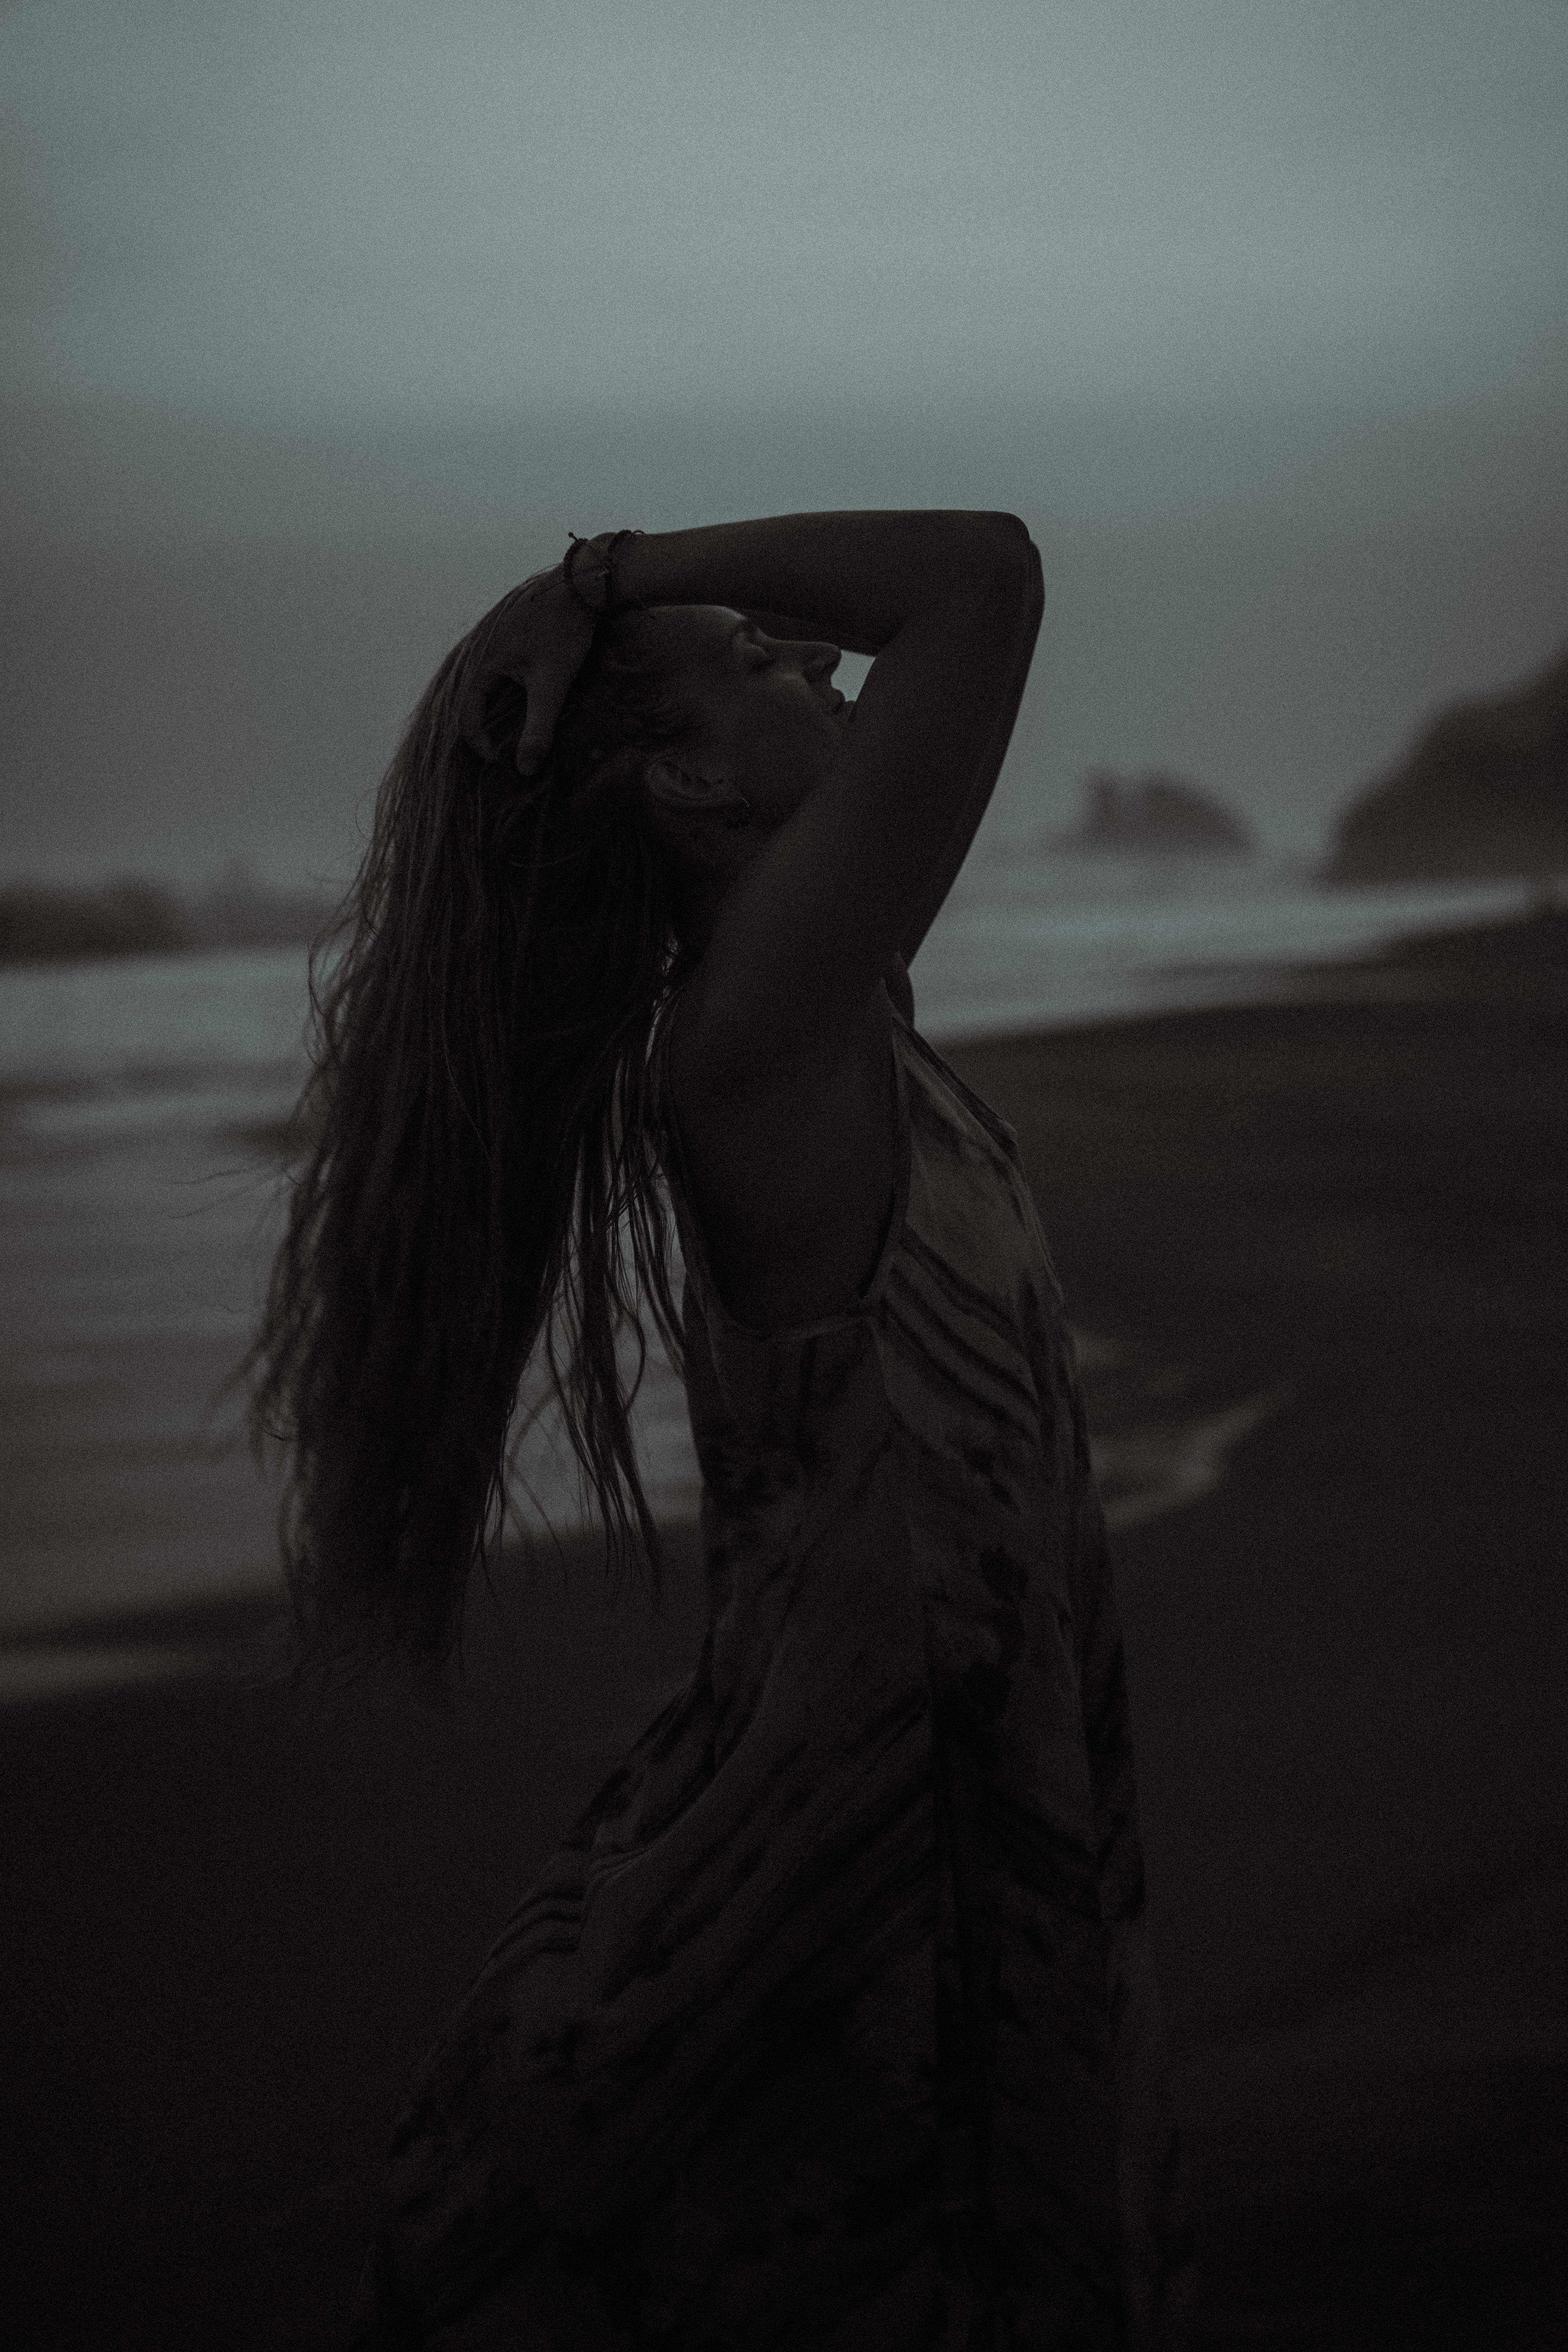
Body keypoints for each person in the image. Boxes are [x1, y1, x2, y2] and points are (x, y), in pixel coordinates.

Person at [247, 512, 1193, 2347]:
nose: (826, 661)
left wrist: (607, 601)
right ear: (687, 779)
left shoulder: (837, 1000)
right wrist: (606, 577)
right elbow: (981, 577)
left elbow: (944, 609)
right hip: (863, 1834)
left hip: (940, 1775)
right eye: (760, 665)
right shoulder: (759, 1032)